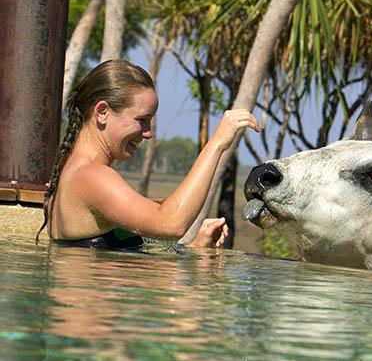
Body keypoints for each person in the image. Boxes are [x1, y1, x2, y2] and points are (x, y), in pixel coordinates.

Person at [37, 59, 260, 249]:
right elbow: (171, 224)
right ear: (102, 112)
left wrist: (195, 249)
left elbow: (109, 268)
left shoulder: (75, 171)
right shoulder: (92, 176)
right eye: (141, 120)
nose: (148, 133)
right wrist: (218, 143)